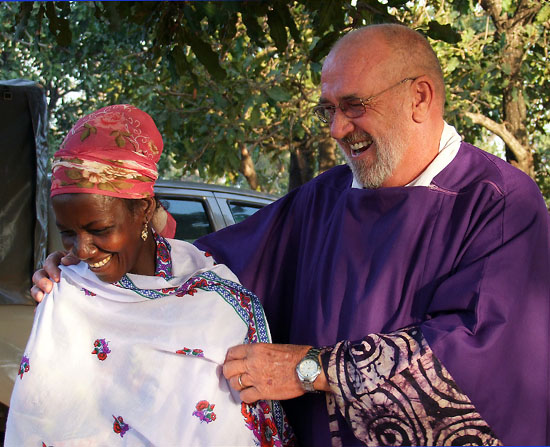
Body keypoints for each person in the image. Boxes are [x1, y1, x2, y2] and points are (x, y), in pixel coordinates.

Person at [32, 24, 550, 447]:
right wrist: (95, 262)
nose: (336, 129)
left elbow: (483, 359)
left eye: (353, 105)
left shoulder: (499, 203)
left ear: (420, 97)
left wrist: (310, 369)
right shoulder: (324, 198)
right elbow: (217, 270)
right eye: (328, 109)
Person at [9, 104, 293, 446]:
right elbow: (39, 418)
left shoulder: (214, 297)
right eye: (67, 232)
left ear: (143, 208)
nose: (81, 250)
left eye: (99, 229)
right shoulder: (65, 291)